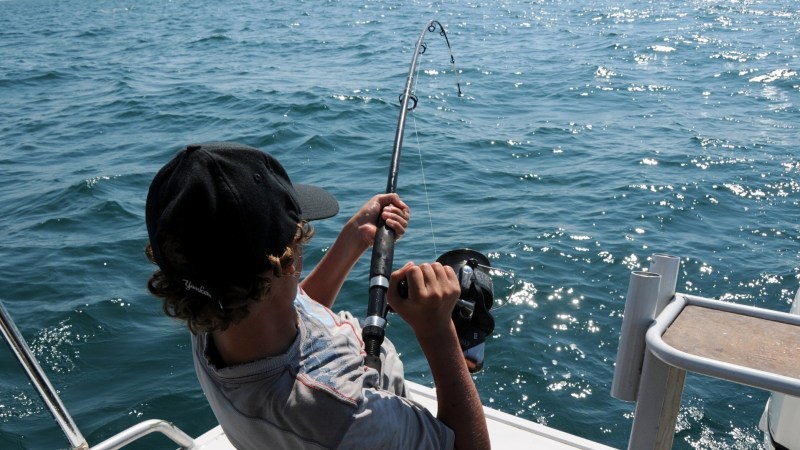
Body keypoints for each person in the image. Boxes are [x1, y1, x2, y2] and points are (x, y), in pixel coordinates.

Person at [145, 141, 490, 450]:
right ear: (281, 263)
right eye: (297, 235)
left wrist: (354, 238)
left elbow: (288, 309)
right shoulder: (345, 415)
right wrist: (437, 331)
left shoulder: (210, 308)